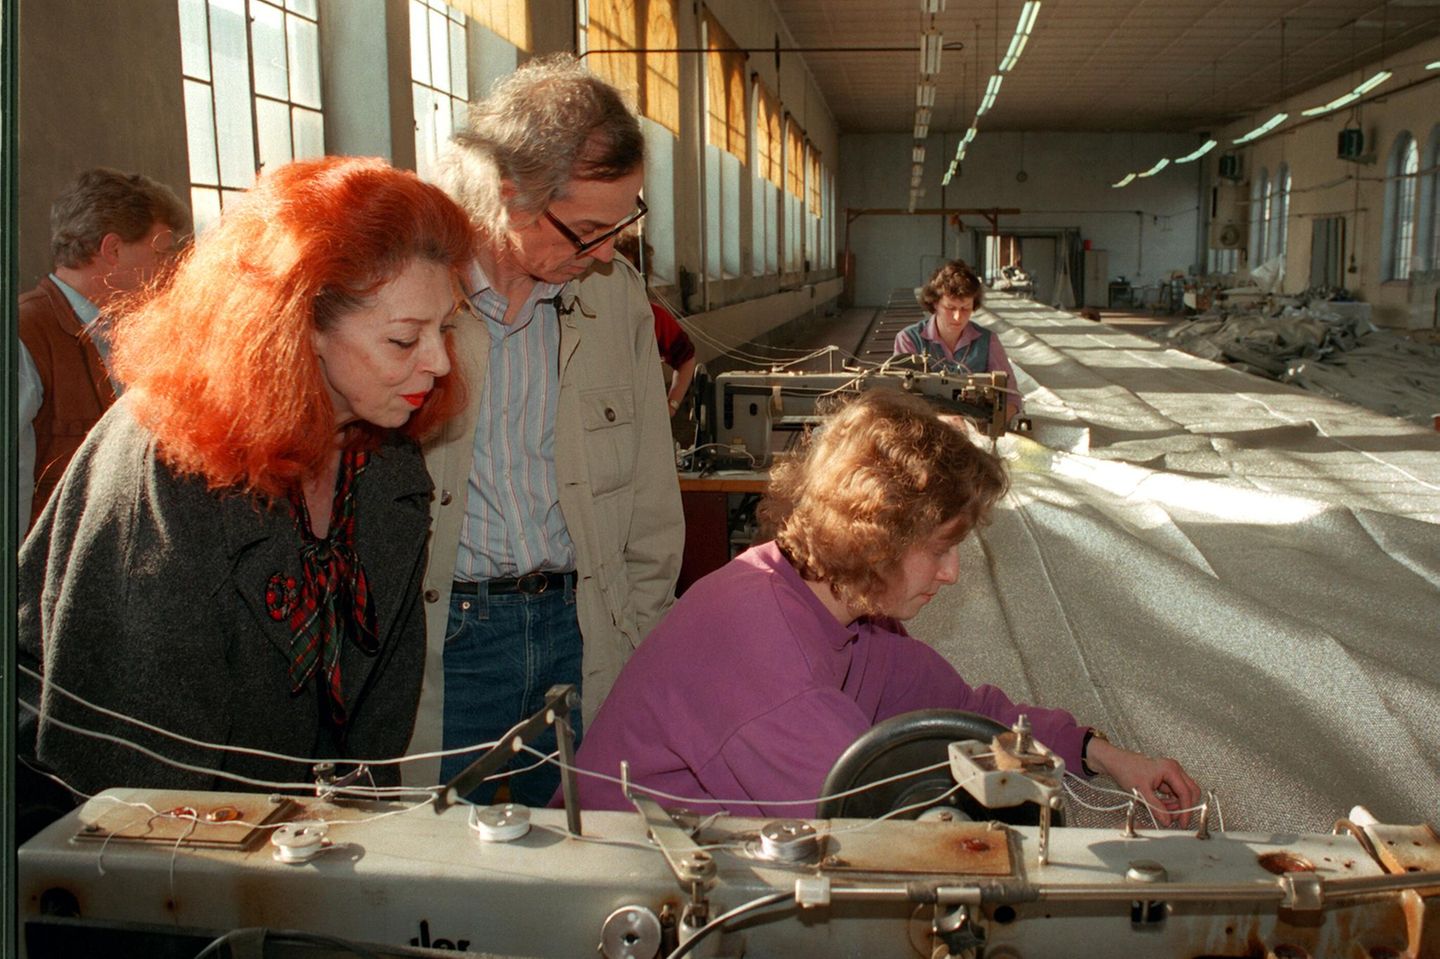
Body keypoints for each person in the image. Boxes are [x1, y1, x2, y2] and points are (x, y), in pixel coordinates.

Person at [17, 156, 476, 798]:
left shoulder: (385, 457)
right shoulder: (169, 460)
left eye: (445, 330)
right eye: (404, 340)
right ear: (300, 325)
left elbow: (377, 722)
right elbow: (130, 778)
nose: (437, 362)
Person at [569, 390, 1200, 823]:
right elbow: (873, 832)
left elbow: (962, 715)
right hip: (629, 892)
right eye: (941, 550)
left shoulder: (843, 616)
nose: (952, 575)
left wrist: (1098, 752)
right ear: (875, 539)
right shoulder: (766, 659)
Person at [410, 55, 684, 805]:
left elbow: (654, 502)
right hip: (452, 643)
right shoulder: (411, 306)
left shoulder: (613, 302)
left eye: (623, 224)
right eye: (589, 229)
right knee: (439, 876)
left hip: (581, 631)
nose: (606, 252)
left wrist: (639, 640)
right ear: (511, 196)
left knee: (574, 866)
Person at [18, 168, 191, 534]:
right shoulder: (24, 335)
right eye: (162, 253)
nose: (172, 269)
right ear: (112, 249)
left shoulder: (135, 333)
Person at [892, 259, 1022, 422]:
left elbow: (1011, 398)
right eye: (950, 308)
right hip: (926, 427)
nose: (958, 317)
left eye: (965, 308)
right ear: (934, 303)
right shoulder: (909, 340)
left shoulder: (988, 341)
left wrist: (992, 423)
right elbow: (901, 399)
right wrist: (941, 420)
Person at [614, 232, 697, 418]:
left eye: (629, 271)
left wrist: (672, 405)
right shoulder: (584, 314)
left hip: (642, 415)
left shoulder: (653, 317)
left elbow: (686, 358)